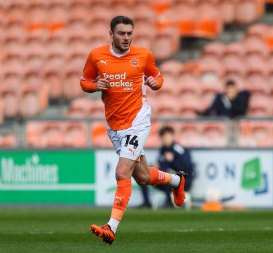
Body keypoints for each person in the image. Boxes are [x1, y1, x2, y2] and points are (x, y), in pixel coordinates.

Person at [80, 16, 187, 244]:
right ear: (111, 34)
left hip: (138, 120)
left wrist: (155, 83)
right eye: (121, 33)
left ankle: (111, 227)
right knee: (144, 177)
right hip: (114, 125)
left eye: (129, 33)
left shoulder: (143, 55)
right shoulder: (97, 55)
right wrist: (94, 86)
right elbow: (85, 81)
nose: (126, 38)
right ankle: (177, 182)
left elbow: (158, 78)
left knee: (122, 172)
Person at [140, 126, 194, 208]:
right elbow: (162, 163)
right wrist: (156, 166)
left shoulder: (178, 149)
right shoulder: (163, 150)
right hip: (168, 181)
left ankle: (169, 202)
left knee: (165, 174)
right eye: (163, 136)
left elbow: (187, 167)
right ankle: (146, 202)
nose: (165, 138)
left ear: (172, 136)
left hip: (183, 182)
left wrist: (172, 161)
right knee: (145, 175)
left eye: (167, 136)